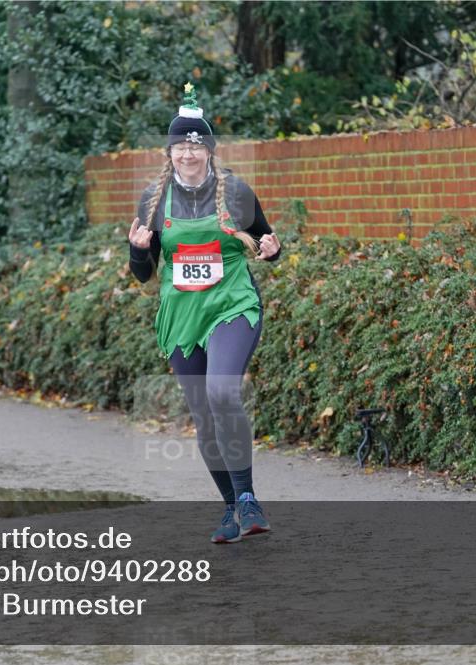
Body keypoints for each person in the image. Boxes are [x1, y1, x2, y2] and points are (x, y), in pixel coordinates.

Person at [128, 82, 282, 544]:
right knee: (203, 414)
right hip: (182, 314)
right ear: (169, 151)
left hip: (232, 303)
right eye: (179, 146)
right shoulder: (152, 201)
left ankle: (250, 499)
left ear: (209, 152)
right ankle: (232, 506)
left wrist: (274, 252)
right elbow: (143, 273)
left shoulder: (235, 192)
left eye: (196, 147)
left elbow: (265, 240)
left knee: (221, 393)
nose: (187, 154)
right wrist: (137, 251)